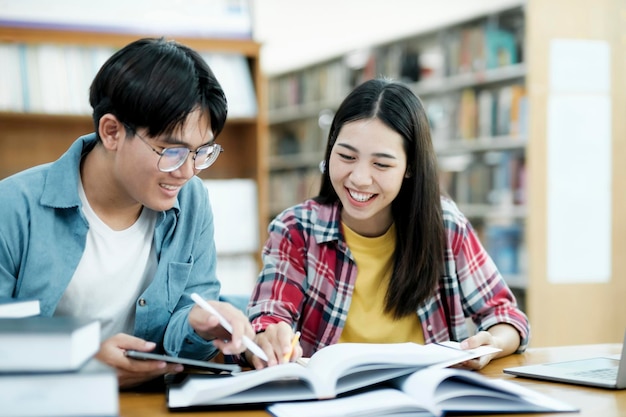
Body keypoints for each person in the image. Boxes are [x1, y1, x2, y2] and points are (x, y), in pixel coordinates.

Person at [0, 38, 257, 388]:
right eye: (172, 150)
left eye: (202, 152)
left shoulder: (192, 200)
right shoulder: (13, 207)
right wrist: (80, 363)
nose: (187, 171)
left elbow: (186, 349)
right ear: (112, 132)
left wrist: (199, 324)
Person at [246, 78, 530, 369]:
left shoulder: (445, 227)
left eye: (381, 164)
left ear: (410, 168)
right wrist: (268, 335)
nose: (359, 178)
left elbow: (507, 317)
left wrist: (493, 342)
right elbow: (269, 316)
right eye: (346, 156)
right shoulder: (296, 230)